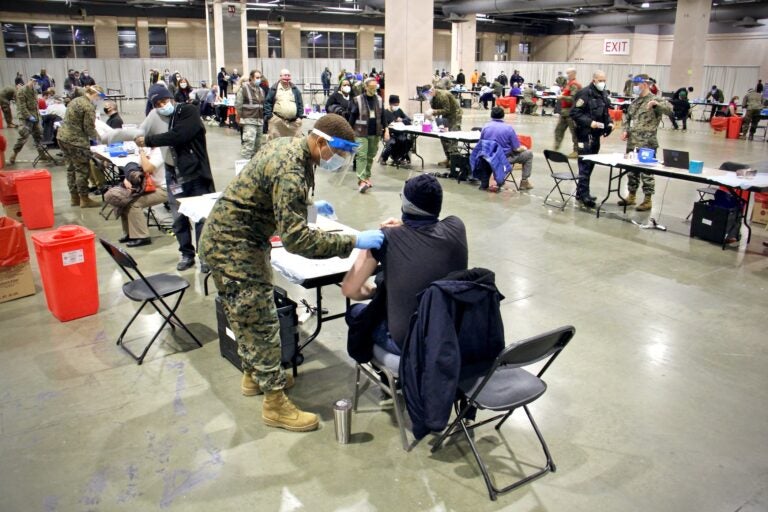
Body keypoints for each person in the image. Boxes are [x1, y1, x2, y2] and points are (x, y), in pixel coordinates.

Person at [198, 114, 384, 433]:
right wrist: (353, 241)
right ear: (320, 142)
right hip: (233, 246)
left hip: (239, 239)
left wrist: (310, 205)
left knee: (247, 314)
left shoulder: (291, 147)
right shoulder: (292, 168)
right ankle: (274, 404)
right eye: (338, 153)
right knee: (261, 319)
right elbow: (297, 240)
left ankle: (255, 373)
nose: (339, 160)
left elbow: (277, 197)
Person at [342, 173, 467, 359]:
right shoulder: (456, 226)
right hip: (454, 335)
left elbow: (350, 289)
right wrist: (403, 225)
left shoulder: (385, 238)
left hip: (411, 343)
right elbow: (428, 228)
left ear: (406, 205)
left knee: (356, 313)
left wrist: (373, 292)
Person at [135, 84, 216, 272]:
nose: (163, 105)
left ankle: (204, 256)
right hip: (173, 175)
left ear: (171, 98)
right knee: (179, 218)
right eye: (157, 103)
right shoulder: (155, 116)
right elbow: (139, 132)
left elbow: (179, 136)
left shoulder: (188, 111)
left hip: (195, 173)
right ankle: (186, 254)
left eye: (164, 100)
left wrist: (148, 141)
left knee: (201, 217)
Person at [619, 74, 672, 212]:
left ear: (646, 84)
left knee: (646, 172)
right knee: (632, 171)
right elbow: (627, 118)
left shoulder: (655, 100)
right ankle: (631, 196)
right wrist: (625, 130)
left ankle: (647, 200)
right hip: (632, 141)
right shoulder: (635, 102)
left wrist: (657, 105)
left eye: (637, 84)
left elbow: (670, 111)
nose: (635, 87)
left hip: (647, 143)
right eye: (634, 84)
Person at [570, 70, 614, 208]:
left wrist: (610, 123)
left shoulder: (603, 93)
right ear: (594, 80)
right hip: (584, 134)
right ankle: (584, 195)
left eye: (604, 80)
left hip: (596, 135)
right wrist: (589, 122)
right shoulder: (584, 93)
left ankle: (580, 192)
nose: (602, 83)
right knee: (585, 165)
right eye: (600, 80)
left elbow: (605, 112)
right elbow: (575, 113)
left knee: (591, 164)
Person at [57, 85, 104, 208]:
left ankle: (74, 198)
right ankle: (84, 198)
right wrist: (100, 139)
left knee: (70, 168)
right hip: (76, 141)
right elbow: (89, 128)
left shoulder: (75, 100)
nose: (99, 100)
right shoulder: (88, 106)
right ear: (95, 94)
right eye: (99, 97)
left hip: (62, 137)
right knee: (82, 170)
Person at [474, 106, 534, 191]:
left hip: (487, 157)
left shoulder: (485, 127)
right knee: (529, 154)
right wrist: (523, 148)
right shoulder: (508, 128)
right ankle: (524, 182)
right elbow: (516, 148)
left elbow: (481, 143)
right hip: (503, 158)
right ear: (503, 116)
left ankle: (486, 181)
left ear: (491, 115)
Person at [118, 147, 169, 247]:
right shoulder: (148, 150)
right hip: (147, 186)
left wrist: (141, 152)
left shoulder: (160, 151)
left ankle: (142, 236)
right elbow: (138, 168)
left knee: (134, 203)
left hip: (163, 189)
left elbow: (147, 168)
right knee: (123, 199)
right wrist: (127, 179)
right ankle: (130, 233)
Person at [350, 77, 388, 193]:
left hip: (375, 132)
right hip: (360, 133)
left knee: (370, 156)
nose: (373, 89)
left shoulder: (380, 100)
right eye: (371, 87)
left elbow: (383, 116)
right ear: (365, 87)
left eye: (375, 87)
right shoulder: (358, 100)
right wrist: (348, 132)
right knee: (361, 156)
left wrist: (386, 130)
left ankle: (366, 177)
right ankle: (361, 180)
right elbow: (352, 117)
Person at [9, 76, 48, 166]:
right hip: (26, 118)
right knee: (24, 136)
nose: (36, 84)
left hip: (35, 117)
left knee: (39, 135)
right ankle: (14, 154)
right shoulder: (22, 91)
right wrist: (29, 116)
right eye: (35, 82)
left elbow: (35, 105)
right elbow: (22, 106)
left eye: (37, 82)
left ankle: (42, 154)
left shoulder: (33, 91)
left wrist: (38, 117)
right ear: (31, 81)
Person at [423, 84, 462, 168]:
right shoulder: (432, 98)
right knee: (443, 136)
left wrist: (433, 112)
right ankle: (448, 158)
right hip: (445, 116)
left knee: (452, 137)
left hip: (454, 115)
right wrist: (431, 117)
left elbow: (446, 110)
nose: (426, 96)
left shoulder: (443, 95)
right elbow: (436, 110)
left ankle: (454, 160)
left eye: (427, 94)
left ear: (432, 91)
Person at [264, 69, 304, 140]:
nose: (287, 77)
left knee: (295, 144)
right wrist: (270, 117)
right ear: (280, 77)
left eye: (288, 75)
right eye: (285, 75)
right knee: (275, 143)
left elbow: (300, 103)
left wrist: (300, 117)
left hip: (293, 123)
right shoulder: (274, 89)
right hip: (277, 122)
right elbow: (267, 103)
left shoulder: (295, 89)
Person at [236, 70, 266, 160]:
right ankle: (244, 169)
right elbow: (238, 105)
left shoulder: (261, 90)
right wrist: (239, 118)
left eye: (260, 78)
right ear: (251, 78)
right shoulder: (244, 89)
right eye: (257, 78)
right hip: (249, 120)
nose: (259, 80)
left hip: (259, 121)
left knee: (258, 147)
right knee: (248, 145)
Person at [554, 67, 581, 158]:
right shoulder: (568, 84)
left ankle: (576, 151)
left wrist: (562, 97)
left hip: (572, 112)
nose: (566, 75)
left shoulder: (575, 85)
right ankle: (556, 147)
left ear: (573, 74)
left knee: (574, 132)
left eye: (568, 73)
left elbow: (573, 98)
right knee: (558, 130)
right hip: (564, 112)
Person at [379, 95, 412, 166]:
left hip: (399, 133)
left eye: (397, 105)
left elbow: (408, 119)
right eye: (395, 105)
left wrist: (402, 120)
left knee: (407, 142)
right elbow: (382, 125)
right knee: (392, 143)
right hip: (390, 134)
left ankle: (399, 157)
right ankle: (384, 158)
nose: (396, 106)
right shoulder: (385, 113)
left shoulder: (399, 111)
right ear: (390, 104)